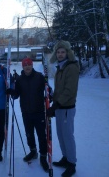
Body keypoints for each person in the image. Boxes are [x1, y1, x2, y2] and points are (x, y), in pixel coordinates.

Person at [47, 40, 79, 177]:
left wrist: (56, 105)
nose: (60, 54)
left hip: (66, 108)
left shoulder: (71, 67)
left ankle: (72, 164)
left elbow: (69, 90)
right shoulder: (61, 67)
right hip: (60, 107)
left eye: (63, 52)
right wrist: (52, 94)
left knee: (67, 136)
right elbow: (60, 89)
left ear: (68, 53)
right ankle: (66, 158)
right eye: (58, 52)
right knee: (61, 135)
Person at [12, 57, 49, 172]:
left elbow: (48, 90)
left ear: (32, 65)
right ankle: (33, 151)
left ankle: (43, 156)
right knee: (29, 133)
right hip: (26, 112)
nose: (27, 67)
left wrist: (50, 95)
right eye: (25, 65)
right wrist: (11, 91)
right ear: (22, 67)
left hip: (39, 112)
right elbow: (16, 95)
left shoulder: (39, 77)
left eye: (29, 65)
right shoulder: (20, 80)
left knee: (41, 135)